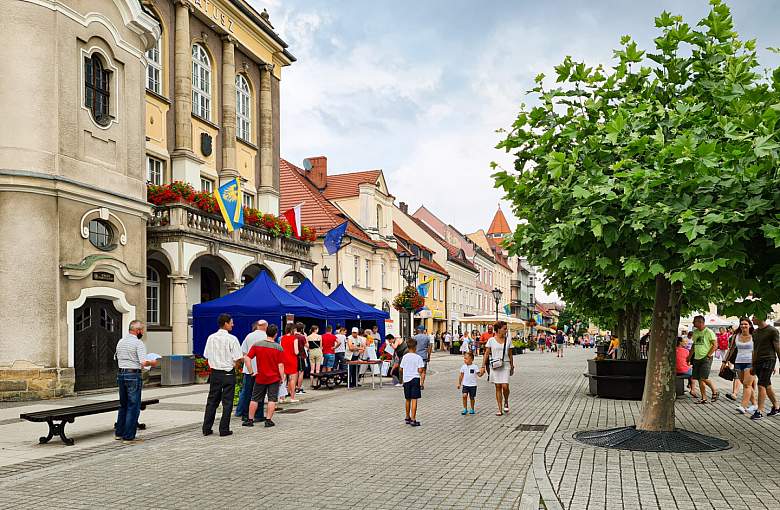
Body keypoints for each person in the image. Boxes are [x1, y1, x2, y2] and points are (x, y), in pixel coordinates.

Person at [115, 320, 158, 444]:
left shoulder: (121, 341)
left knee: (123, 404)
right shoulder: (138, 343)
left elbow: (117, 357)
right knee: (133, 406)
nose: (143, 332)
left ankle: (119, 432)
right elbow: (143, 362)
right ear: (137, 330)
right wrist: (153, 362)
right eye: (142, 330)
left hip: (121, 374)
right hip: (133, 374)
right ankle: (129, 436)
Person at [202, 313, 243, 437]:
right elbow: (238, 357)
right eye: (231, 322)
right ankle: (224, 429)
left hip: (215, 373)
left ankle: (206, 428)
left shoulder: (211, 338)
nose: (233, 324)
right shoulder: (232, 339)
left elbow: (206, 355)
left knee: (212, 401)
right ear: (226, 323)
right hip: (228, 372)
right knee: (227, 402)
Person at [242, 324, 283, 428]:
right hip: (274, 377)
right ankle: (268, 420)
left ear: (266, 332)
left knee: (254, 398)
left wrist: (251, 372)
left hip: (260, 377)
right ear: (275, 334)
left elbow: (247, 358)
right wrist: (282, 377)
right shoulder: (278, 348)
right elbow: (280, 364)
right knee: (272, 399)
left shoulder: (257, 345)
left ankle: (250, 420)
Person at [235, 320, 268, 421]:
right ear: (265, 326)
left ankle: (245, 414)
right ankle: (258, 414)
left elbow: (243, 352)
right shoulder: (266, 337)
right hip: (262, 370)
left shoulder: (249, 336)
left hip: (248, 370)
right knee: (260, 393)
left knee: (247, 393)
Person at [479, 321, 514, 416]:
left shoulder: (508, 340)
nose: (506, 330)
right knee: (498, 387)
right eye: (504, 329)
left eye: (506, 329)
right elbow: (486, 354)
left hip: (506, 364)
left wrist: (512, 366)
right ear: (499, 329)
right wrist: (482, 366)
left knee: (505, 386)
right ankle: (499, 409)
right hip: (495, 365)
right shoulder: (491, 340)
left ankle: (506, 400)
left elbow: (510, 354)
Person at [749, 314, 780, 420]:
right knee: (767, 384)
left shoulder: (772, 331)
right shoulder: (755, 332)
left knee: (761, 384)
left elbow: (777, 347)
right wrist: (753, 364)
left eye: (754, 317)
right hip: (758, 361)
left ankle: (759, 411)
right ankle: (776, 407)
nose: (752, 319)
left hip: (769, 359)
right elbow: (755, 349)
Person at [729, 318, 757, 414]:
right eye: (741, 324)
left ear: (750, 325)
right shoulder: (736, 336)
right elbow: (731, 349)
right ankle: (754, 404)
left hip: (750, 362)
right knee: (744, 383)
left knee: (747, 384)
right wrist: (724, 362)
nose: (743, 326)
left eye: (745, 324)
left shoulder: (754, 336)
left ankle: (743, 406)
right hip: (738, 362)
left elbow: (757, 350)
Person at [687, 315, 718, 404]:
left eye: (694, 321)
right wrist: (689, 356)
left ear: (700, 322)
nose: (693, 323)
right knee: (699, 379)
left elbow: (715, 345)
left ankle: (715, 391)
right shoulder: (695, 332)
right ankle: (704, 398)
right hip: (697, 358)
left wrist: (708, 356)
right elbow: (694, 345)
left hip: (706, 358)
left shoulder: (709, 332)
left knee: (703, 377)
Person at [400, 336, 424, 426]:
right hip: (415, 379)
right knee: (414, 399)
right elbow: (420, 370)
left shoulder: (405, 357)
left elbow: (401, 369)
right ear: (415, 347)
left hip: (406, 380)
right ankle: (413, 419)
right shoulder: (418, 358)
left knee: (407, 399)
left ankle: (407, 417)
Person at [280, 323, 300, 403]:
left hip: (284, 359)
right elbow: (296, 352)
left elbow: (280, 349)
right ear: (292, 329)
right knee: (292, 379)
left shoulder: (282, 338)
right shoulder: (294, 338)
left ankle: (282, 398)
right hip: (292, 360)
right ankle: (292, 397)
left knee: (283, 379)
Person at [413, 325, 432, 390]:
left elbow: (412, 347)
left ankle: (416, 384)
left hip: (416, 356)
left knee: (416, 371)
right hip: (424, 356)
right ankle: (421, 384)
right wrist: (429, 356)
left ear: (418, 330)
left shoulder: (414, 337)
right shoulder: (427, 338)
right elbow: (429, 348)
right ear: (423, 330)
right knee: (423, 371)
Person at [295, 322, 308, 395]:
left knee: (295, 372)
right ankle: (299, 388)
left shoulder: (292, 336)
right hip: (301, 356)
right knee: (301, 372)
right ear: (302, 329)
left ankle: (294, 387)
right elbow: (307, 346)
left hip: (294, 356)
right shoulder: (302, 337)